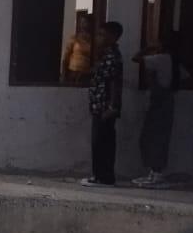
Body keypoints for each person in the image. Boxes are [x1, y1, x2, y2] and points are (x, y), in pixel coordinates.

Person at [131, 42, 180, 188]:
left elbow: (135, 58)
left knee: (152, 138)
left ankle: (156, 173)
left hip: (159, 102)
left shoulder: (161, 58)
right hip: (167, 102)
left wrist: (148, 48)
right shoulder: (173, 60)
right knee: (159, 137)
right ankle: (155, 171)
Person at [82, 21, 124, 187]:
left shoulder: (112, 57)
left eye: (102, 35)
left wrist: (112, 106)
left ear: (112, 37)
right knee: (101, 140)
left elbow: (114, 82)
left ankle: (103, 177)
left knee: (102, 141)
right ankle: (102, 175)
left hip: (105, 106)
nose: (98, 38)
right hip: (99, 105)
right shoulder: (106, 55)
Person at [62, 15, 94, 85]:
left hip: (86, 72)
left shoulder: (94, 40)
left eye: (85, 22)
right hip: (73, 71)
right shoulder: (74, 38)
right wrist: (63, 74)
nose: (83, 24)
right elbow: (66, 57)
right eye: (81, 22)